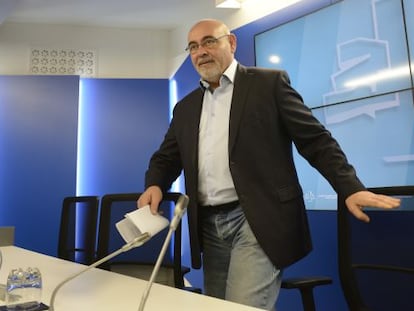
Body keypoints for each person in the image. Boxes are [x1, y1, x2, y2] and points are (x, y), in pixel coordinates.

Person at [137, 19, 400, 310]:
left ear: (232, 43)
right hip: (209, 226)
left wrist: (349, 187)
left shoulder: (268, 85)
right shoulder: (185, 107)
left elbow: (315, 140)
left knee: (244, 306)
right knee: (217, 306)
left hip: (257, 218)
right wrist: (155, 183)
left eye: (210, 41)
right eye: (194, 47)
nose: (201, 52)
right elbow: (166, 156)